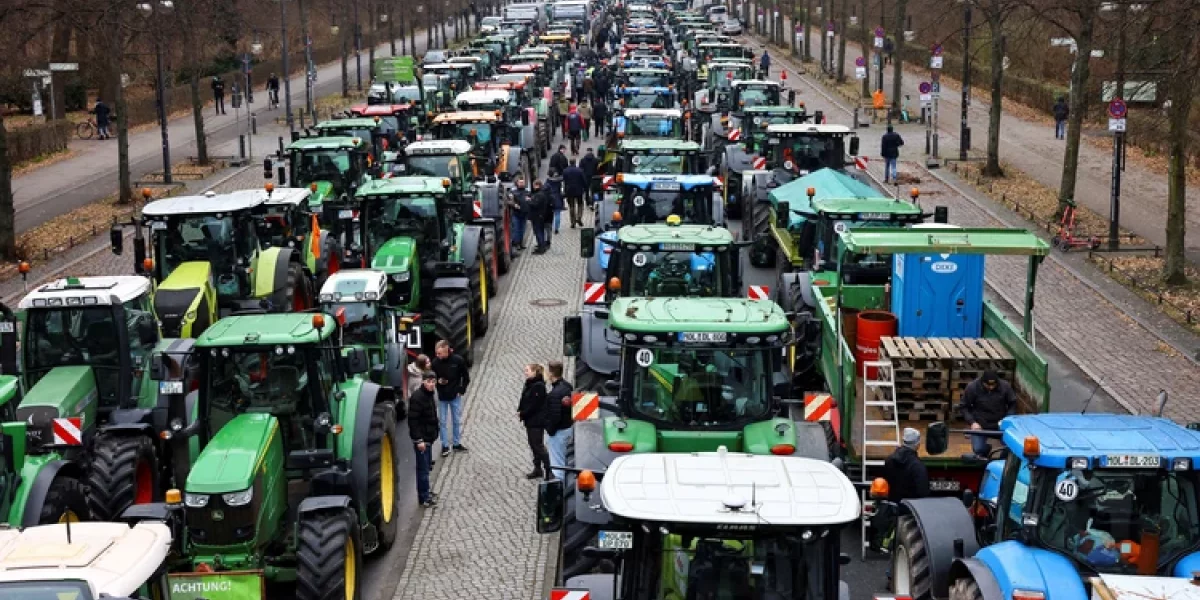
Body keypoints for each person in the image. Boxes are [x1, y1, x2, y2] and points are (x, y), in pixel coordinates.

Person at [960, 369, 1017, 457]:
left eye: (993, 385)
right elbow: (964, 406)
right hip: (981, 425)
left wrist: (1007, 420)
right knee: (979, 449)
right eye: (988, 385)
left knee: (1011, 447)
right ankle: (986, 449)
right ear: (982, 382)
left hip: (999, 424)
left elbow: (1012, 404)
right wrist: (972, 422)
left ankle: (1002, 460)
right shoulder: (972, 387)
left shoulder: (1005, 386)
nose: (991, 387)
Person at [431, 340, 470, 457]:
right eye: (436, 353)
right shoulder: (435, 363)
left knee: (456, 421)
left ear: (446, 350)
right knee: (442, 422)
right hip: (442, 397)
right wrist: (438, 381)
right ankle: (445, 445)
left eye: (439, 353)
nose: (437, 356)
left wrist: (461, 390)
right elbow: (432, 378)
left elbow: (466, 377)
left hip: (455, 396)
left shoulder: (458, 360)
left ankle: (456, 443)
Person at [408, 371, 440, 508]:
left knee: (426, 468)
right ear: (423, 382)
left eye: (433, 382)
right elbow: (413, 421)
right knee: (423, 470)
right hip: (422, 439)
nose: (431, 385)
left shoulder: (429, 395)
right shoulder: (417, 397)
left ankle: (426, 492)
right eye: (429, 382)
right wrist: (418, 440)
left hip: (429, 437)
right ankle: (424, 497)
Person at [517, 363, 552, 480]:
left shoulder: (538, 386)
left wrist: (523, 413)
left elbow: (534, 405)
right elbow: (524, 399)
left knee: (538, 446)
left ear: (534, 372)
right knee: (533, 445)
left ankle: (548, 470)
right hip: (530, 421)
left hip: (536, 421)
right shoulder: (530, 383)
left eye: (527, 370)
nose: (525, 372)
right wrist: (520, 409)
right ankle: (537, 468)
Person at [543, 361, 573, 480]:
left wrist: (549, 430)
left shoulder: (554, 394)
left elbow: (555, 417)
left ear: (551, 374)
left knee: (558, 465)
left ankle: (560, 488)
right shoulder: (567, 386)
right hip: (568, 428)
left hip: (558, 432)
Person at [508, 177, 530, 257]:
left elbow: (530, 199)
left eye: (523, 182)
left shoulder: (527, 192)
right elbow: (509, 201)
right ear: (517, 183)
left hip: (524, 214)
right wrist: (514, 205)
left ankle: (521, 243)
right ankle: (516, 244)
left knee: (522, 229)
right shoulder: (513, 192)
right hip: (516, 214)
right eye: (520, 182)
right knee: (516, 230)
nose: (522, 184)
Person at [563, 159, 587, 228]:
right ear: (575, 163)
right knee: (580, 204)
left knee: (571, 206)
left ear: (569, 163)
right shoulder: (580, 170)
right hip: (578, 190)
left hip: (569, 191)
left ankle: (573, 222)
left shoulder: (565, 171)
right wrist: (585, 188)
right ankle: (579, 217)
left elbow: (564, 181)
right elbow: (584, 180)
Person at [529, 179, 551, 254]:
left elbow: (535, 204)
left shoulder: (539, 194)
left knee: (539, 232)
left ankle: (541, 248)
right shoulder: (541, 193)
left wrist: (529, 201)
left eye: (534, 185)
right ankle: (541, 246)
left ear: (537, 185)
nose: (533, 187)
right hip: (540, 216)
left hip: (537, 216)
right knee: (540, 231)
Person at [546, 169, 565, 235]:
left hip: (549, 199)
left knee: (550, 215)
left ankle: (550, 227)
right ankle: (556, 228)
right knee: (557, 214)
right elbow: (561, 190)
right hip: (557, 198)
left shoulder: (547, 181)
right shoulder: (558, 181)